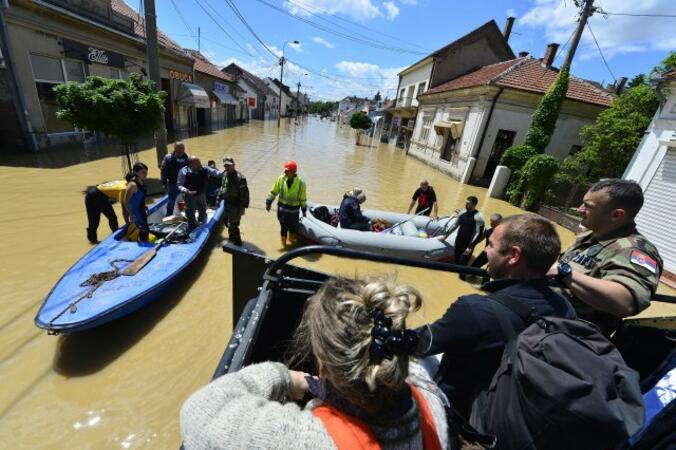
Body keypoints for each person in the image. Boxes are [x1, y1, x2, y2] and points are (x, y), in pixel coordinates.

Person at [180, 276, 450, 449]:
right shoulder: (430, 401)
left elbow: (198, 412)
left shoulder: (309, 439)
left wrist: (285, 377)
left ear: (323, 363)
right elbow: (411, 367)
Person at [416, 214, 576, 418]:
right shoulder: (565, 308)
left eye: (490, 245)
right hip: (522, 415)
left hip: (462, 417)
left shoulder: (474, 309)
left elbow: (419, 343)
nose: (485, 250)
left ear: (514, 255)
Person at [547, 179, 663, 336]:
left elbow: (625, 301)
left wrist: (563, 271)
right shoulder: (592, 235)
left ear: (616, 215)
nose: (580, 209)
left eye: (588, 207)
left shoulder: (634, 250)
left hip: (569, 335)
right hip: (545, 314)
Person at [266, 160, 308, 248]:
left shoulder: (301, 183)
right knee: (283, 228)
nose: (285, 172)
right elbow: (274, 191)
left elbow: (303, 198)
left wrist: (304, 209)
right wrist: (269, 202)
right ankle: (284, 246)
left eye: (287, 170)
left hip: (294, 212)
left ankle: (291, 244)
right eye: (284, 170)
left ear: (293, 171)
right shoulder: (281, 179)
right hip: (282, 210)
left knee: (293, 229)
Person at [177, 156, 221, 231]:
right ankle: (192, 227)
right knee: (190, 212)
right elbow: (179, 185)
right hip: (189, 195)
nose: (200, 164)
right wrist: (187, 191)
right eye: (197, 163)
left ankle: (202, 222)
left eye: (200, 162)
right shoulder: (183, 171)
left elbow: (215, 173)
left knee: (203, 208)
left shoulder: (204, 167)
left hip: (201, 193)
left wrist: (224, 172)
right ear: (190, 164)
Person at [439, 196, 485, 264]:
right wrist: (445, 236)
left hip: (468, 243)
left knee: (463, 263)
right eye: (466, 203)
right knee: (456, 260)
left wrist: (470, 246)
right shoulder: (462, 212)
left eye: (468, 203)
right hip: (458, 240)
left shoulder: (478, 217)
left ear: (474, 205)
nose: (466, 205)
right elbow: (455, 225)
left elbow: (479, 233)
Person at [220, 157, 249, 246]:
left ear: (233, 165)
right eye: (225, 165)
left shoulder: (240, 178)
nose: (227, 167)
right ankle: (231, 239)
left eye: (229, 165)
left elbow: (245, 194)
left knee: (234, 225)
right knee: (226, 222)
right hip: (226, 203)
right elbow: (222, 187)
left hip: (236, 205)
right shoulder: (224, 174)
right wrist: (218, 199)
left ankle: (238, 243)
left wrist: (243, 207)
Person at [124, 162, 151, 242]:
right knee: (143, 230)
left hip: (142, 209)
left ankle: (143, 242)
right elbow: (126, 201)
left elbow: (139, 196)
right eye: (143, 173)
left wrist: (144, 205)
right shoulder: (132, 185)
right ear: (136, 172)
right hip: (136, 212)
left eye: (146, 172)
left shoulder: (141, 181)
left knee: (145, 229)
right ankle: (142, 247)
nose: (145, 174)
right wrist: (131, 215)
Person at [160, 142, 189, 216]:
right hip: (173, 183)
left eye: (183, 148)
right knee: (171, 201)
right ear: (175, 149)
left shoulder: (187, 158)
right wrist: (164, 182)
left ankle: (188, 215)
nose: (182, 150)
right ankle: (168, 216)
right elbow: (163, 170)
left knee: (188, 200)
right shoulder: (168, 158)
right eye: (180, 148)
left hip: (185, 184)